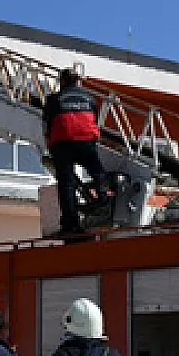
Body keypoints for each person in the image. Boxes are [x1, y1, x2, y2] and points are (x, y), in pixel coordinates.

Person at [43, 68, 109, 234]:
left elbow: (46, 125)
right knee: (97, 170)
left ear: (62, 81)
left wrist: (49, 145)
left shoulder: (53, 99)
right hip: (86, 141)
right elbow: (94, 119)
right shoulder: (90, 98)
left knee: (66, 184)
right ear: (78, 81)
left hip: (62, 143)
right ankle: (103, 197)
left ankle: (70, 222)